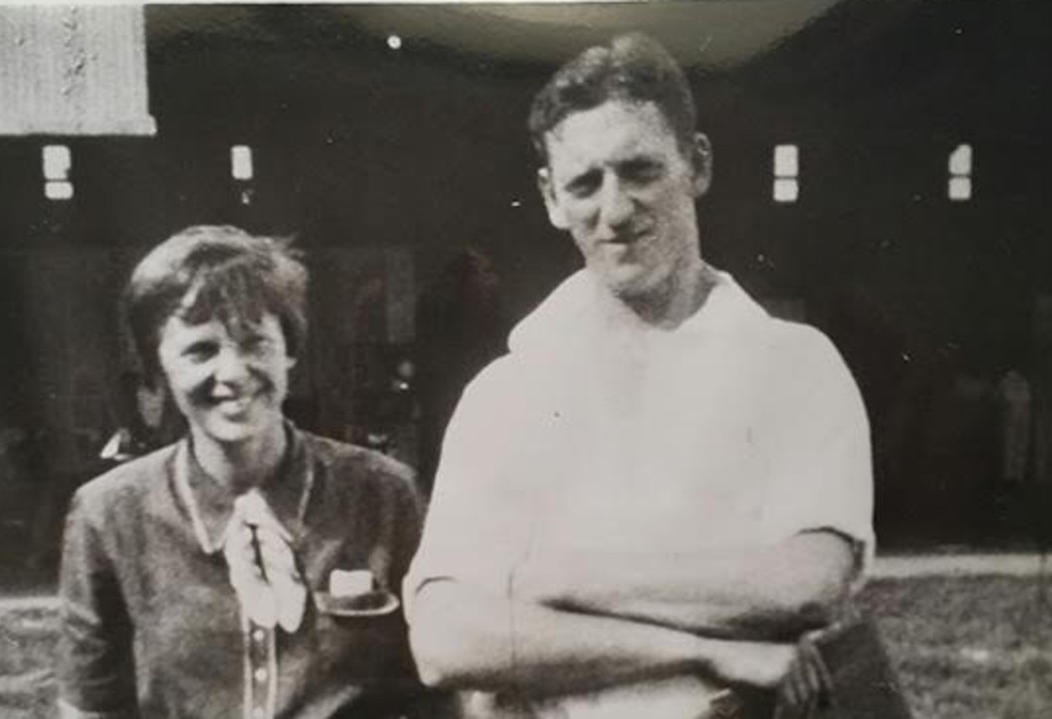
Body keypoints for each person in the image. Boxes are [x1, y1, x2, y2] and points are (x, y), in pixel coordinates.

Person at [404, 34, 874, 719]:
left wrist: (548, 579)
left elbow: (805, 584)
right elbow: (446, 639)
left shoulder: (794, 364)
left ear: (698, 163)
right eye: (584, 183)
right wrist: (705, 647)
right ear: (549, 198)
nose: (615, 210)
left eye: (640, 171)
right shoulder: (505, 393)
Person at [57, 225, 429, 718]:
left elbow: (434, 691)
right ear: (156, 366)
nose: (232, 373)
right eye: (201, 350)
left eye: (254, 342)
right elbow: (92, 708)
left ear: (290, 349)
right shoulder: (108, 514)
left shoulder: (384, 494)